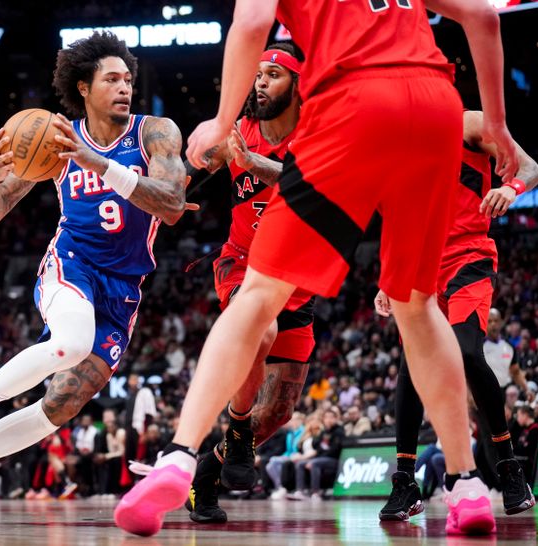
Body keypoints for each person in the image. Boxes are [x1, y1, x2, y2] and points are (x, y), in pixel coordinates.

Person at [115, 0, 519, 537]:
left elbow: (253, 24)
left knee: (260, 297)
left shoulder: (280, 119)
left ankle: (179, 456)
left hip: (352, 100)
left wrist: (219, 115)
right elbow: (484, 17)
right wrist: (497, 124)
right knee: (418, 305)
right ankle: (467, 487)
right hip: (435, 103)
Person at [0, 31, 192, 528]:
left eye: (128, 79)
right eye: (112, 79)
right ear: (83, 86)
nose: (125, 88)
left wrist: (98, 163)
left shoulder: (155, 133)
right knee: (72, 340)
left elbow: (170, 205)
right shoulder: (54, 139)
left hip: (123, 290)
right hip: (70, 265)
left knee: (59, 405)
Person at [374, 110, 538, 520]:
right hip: (418, 269)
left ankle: (508, 465)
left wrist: (512, 187)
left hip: (468, 257)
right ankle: (404, 481)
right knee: (411, 368)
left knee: (467, 354)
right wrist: (387, 278)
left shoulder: (467, 123)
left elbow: (532, 168)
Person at [185, 42, 315, 524]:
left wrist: (259, 166)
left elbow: (314, 183)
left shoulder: (319, 133)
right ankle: (236, 428)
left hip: (298, 279)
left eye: (273, 75)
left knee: (278, 413)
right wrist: (172, 190)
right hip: (243, 265)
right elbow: (185, 171)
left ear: (298, 86)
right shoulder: (238, 132)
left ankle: (206, 474)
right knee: (261, 331)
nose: (259, 82)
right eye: (256, 73)